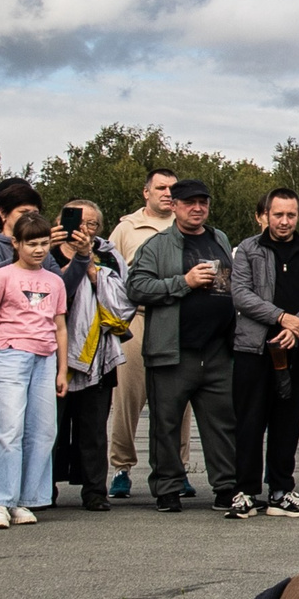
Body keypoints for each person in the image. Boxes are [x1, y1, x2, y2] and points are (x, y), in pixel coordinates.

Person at [124, 178, 240, 514]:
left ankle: (225, 487)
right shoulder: (156, 246)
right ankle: (168, 489)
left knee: (222, 422)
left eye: (203, 202)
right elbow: (137, 287)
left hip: (218, 348)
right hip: (173, 349)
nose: (197, 208)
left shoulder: (219, 238)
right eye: (189, 202)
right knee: (166, 423)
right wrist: (183, 282)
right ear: (173, 205)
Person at [228, 188, 299, 520]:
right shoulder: (248, 249)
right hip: (254, 347)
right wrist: (280, 317)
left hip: (296, 347)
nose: (284, 221)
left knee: (287, 421)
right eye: (278, 215)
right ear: (265, 215)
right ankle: (244, 491)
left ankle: (281, 489)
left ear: (298, 216)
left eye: (290, 215)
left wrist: (297, 326)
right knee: (249, 420)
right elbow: (240, 294)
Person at [0, 209, 69, 530]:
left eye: (43, 243)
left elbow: (61, 326)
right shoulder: (2, 276)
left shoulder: (54, 281)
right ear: (16, 243)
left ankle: (26, 499)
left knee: (43, 431)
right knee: (6, 428)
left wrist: (62, 370)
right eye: (31, 244)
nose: (38, 250)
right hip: (10, 354)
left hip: (45, 359)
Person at [50, 202, 132, 513]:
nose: (84, 229)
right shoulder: (47, 252)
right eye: (77, 221)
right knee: (51, 426)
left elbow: (123, 301)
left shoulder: (109, 255)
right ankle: (44, 488)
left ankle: (95, 491)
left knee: (94, 428)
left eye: (92, 224)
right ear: (60, 222)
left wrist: (96, 276)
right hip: (54, 351)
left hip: (99, 351)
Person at [106, 168, 176, 501]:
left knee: (178, 398)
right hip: (136, 317)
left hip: (174, 318)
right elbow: (107, 272)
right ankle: (121, 468)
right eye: (160, 187)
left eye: (172, 188)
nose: (167, 193)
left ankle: (176, 468)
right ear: (146, 192)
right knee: (128, 395)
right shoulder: (127, 228)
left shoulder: (186, 225)